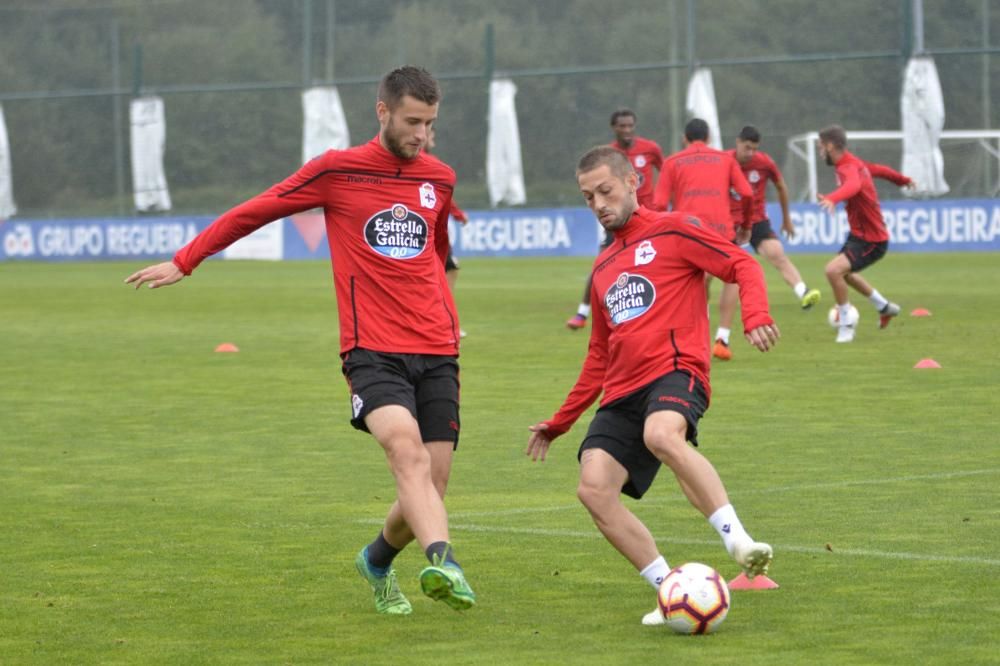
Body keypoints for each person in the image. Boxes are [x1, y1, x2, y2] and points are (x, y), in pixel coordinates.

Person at [125, 66, 476, 615]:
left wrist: (448, 316)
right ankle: (444, 561)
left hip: (436, 349)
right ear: (382, 112)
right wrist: (185, 260)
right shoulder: (337, 171)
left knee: (432, 482)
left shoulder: (439, 177)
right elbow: (253, 212)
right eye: (412, 122)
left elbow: (435, 253)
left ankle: (378, 559)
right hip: (372, 349)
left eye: (430, 124)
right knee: (405, 454)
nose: (422, 136)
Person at [527, 146, 779, 626]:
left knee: (661, 435)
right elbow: (599, 355)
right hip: (621, 392)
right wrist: (561, 423)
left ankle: (738, 540)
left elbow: (741, 265)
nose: (599, 203)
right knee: (593, 489)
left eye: (606, 190)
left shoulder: (673, 229)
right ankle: (670, 590)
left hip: (676, 370)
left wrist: (756, 315)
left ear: (632, 184)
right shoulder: (602, 269)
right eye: (588, 197)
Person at [712, 125, 822, 361]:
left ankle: (803, 291)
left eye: (754, 149)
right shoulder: (723, 161)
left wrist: (787, 219)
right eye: (747, 147)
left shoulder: (764, 163)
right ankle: (721, 335)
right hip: (729, 224)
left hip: (756, 220)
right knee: (724, 278)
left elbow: (781, 186)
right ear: (737, 142)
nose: (750, 152)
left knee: (776, 253)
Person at [567, 109, 664, 330]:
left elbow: (665, 172)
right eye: (622, 126)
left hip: (647, 219)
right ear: (614, 128)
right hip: (618, 219)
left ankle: (650, 309)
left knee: (654, 264)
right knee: (602, 264)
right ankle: (582, 313)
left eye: (630, 125)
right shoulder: (608, 156)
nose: (627, 130)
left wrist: (661, 202)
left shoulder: (650, 149)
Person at [816, 124, 914, 343]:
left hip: (872, 240)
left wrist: (833, 198)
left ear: (831, 145)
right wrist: (902, 180)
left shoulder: (848, 168)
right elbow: (880, 170)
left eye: (821, 147)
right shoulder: (854, 163)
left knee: (833, 271)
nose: (820, 152)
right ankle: (884, 307)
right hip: (859, 235)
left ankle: (846, 325)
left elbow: (852, 186)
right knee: (844, 274)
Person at [426, 125, 469, 338]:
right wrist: (459, 214)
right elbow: (444, 196)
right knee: (447, 272)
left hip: (428, 231)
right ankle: (445, 321)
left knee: (445, 271)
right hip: (432, 233)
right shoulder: (430, 165)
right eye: (430, 132)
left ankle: (442, 320)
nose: (432, 136)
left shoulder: (420, 164)